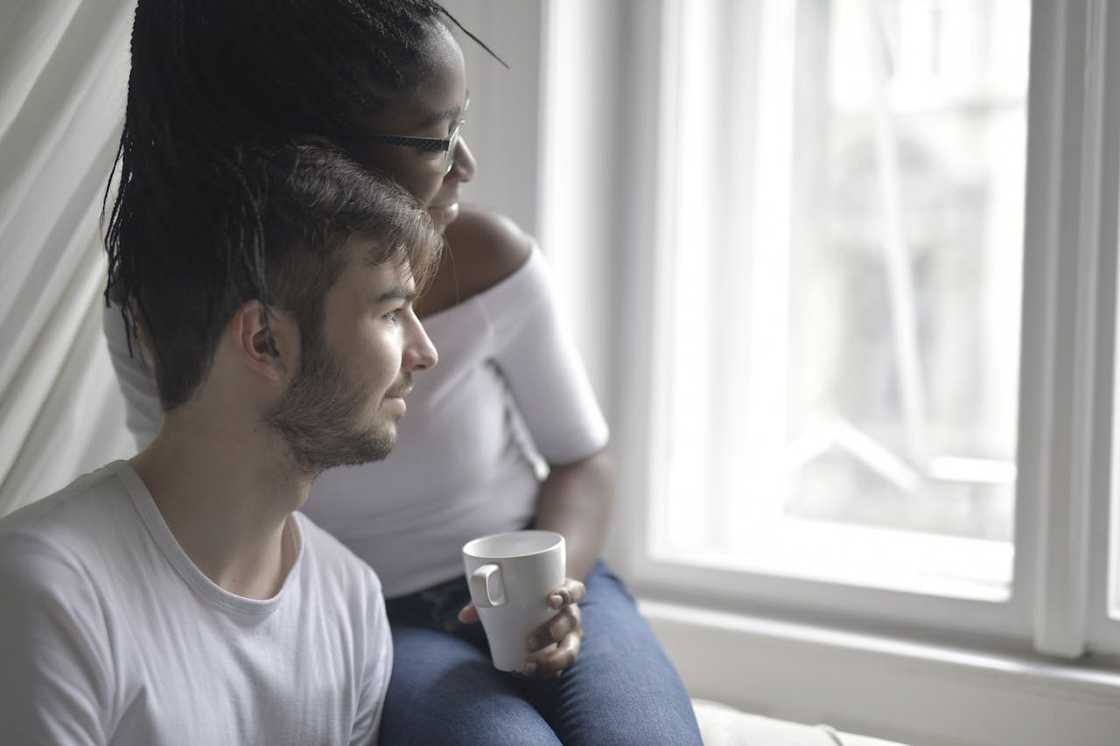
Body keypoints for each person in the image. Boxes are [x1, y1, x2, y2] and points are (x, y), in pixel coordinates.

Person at [103, 1, 704, 743]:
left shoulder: (491, 261)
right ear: (320, 153)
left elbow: (584, 458)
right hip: (374, 619)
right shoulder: (181, 323)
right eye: (437, 137)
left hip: (536, 577)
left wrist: (552, 590)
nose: (467, 164)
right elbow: (205, 506)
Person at [0, 142, 442, 744]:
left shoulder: (352, 603)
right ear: (265, 342)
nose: (425, 351)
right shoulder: (48, 590)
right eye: (393, 312)